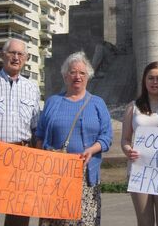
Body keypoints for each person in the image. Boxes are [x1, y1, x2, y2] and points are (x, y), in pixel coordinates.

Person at [36, 51, 113, 226]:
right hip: (55, 177)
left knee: (84, 222)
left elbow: (107, 136)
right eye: (72, 72)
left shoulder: (97, 103)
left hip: (86, 177)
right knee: (55, 222)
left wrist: (92, 150)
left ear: (88, 77)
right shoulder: (52, 102)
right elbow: (40, 135)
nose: (77, 77)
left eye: (82, 73)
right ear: (65, 76)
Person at [0, 38, 41, 226]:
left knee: (19, 214)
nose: (16, 57)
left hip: (22, 156)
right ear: (2, 55)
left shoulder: (32, 88)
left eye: (20, 54)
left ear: (26, 58)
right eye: (12, 53)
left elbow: (36, 126)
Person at [121, 61, 158, 226]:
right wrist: (127, 150)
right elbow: (125, 138)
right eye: (150, 78)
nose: (154, 82)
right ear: (144, 81)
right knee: (144, 221)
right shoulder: (132, 107)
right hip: (140, 169)